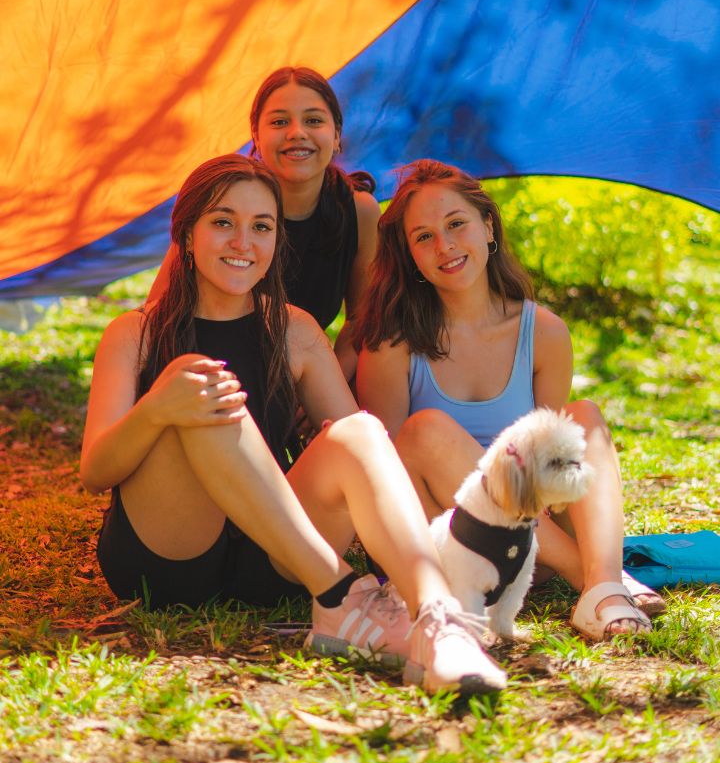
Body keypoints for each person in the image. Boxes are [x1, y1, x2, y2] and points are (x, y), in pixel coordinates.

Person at [81, 153, 507, 695]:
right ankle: (341, 597)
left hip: (274, 559)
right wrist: (157, 409)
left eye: (261, 227)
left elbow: (362, 458)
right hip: (168, 558)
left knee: (362, 431)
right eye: (223, 222)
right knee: (201, 383)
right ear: (186, 235)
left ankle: (438, 621)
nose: (243, 242)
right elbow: (95, 470)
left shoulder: (295, 330)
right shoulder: (134, 333)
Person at [355, 159, 666, 642]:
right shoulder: (391, 345)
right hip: (451, 547)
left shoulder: (542, 331)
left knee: (580, 417)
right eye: (424, 237)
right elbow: (386, 478)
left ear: (488, 227)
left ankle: (603, 582)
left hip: (533, 547)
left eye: (456, 224)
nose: (445, 246)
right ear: (409, 254)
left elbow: (551, 462)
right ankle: (596, 584)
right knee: (424, 430)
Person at [149, 67, 379, 385]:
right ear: (256, 136)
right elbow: (158, 310)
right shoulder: (220, 198)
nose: (297, 132)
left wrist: (322, 383)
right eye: (279, 122)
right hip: (206, 375)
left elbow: (362, 319)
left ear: (337, 135)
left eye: (313, 120)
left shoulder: (358, 211)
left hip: (302, 373)